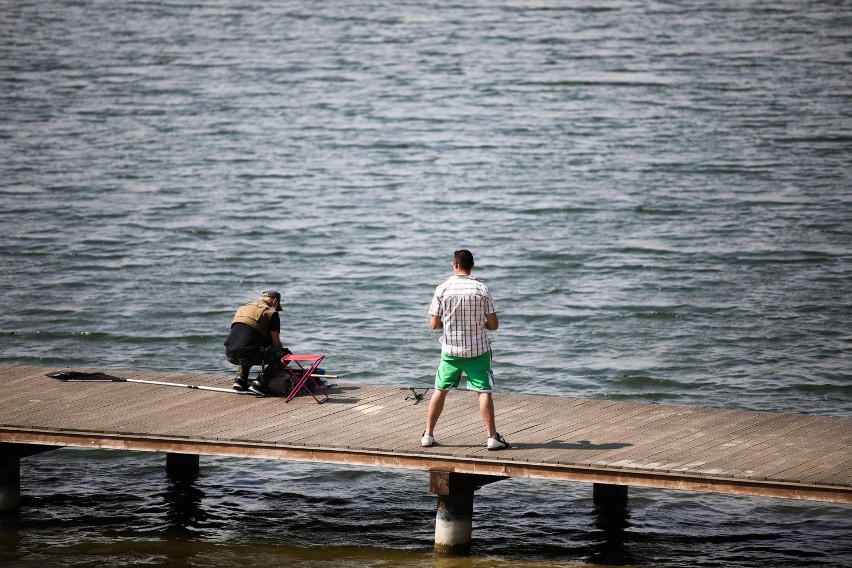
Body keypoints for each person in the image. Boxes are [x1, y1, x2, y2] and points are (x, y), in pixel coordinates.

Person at [421, 250, 509, 451]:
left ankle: (428, 435)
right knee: (484, 391)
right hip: (478, 350)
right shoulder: (482, 289)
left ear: (455, 264)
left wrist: (452, 322)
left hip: (451, 351)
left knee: (440, 390)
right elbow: (494, 325)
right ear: (473, 265)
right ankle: (492, 438)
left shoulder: (442, 289)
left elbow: (434, 324)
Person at [224, 290, 292, 395]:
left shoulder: (243, 308)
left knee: (248, 346)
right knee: (286, 354)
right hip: (249, 354)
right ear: (275, 301)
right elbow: (276, 343)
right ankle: (259, 383)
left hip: (230, 354)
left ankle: (240, 380)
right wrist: (281, 361)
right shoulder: (271, 313)